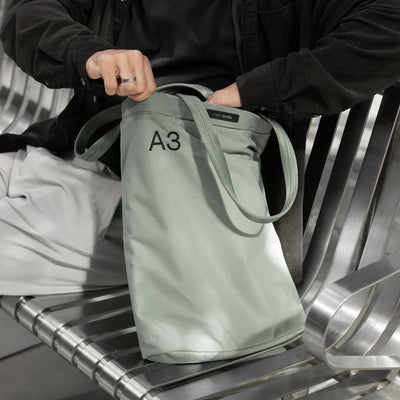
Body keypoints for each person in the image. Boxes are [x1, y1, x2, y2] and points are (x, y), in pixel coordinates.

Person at [0, 0, 399, 294]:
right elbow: (28, 12)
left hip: (191, 216)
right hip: (79, 165)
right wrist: (90, 55)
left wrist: (252, 92)